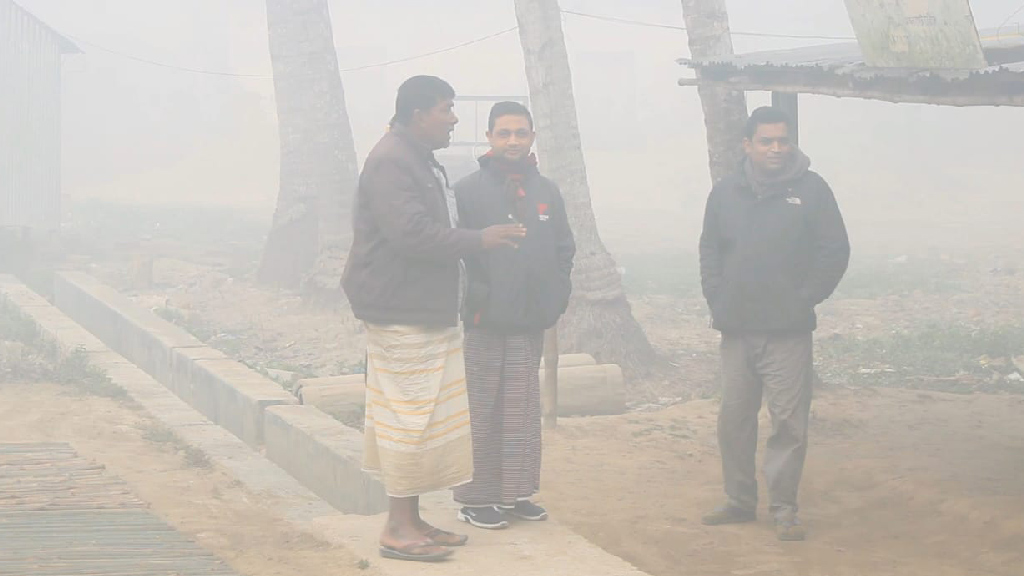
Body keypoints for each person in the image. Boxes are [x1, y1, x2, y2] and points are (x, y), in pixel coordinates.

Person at [342, 76, 526, 562]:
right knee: (410, 419)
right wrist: (478, 239)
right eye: (446, 109)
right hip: (402, 310)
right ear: (418, 113)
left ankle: (412, 519)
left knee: (423, 418)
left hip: (422, 309)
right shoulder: (391, 162)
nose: (453, 118)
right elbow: (413, 236)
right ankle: (397, 529)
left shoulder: (415, 158)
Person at [698, 106, 850, 541]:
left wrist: (804, 297)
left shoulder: (813, 190)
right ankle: (740, 501)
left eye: (783, 140)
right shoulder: (725, 192)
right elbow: (710, 250)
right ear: (747, 145)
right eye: (766, 141)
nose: (776, 148)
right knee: (734, 418)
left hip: (788, 331)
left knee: (787, 422)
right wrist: (718, 297)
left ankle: (784, 508)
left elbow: (834, 251)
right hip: (737, 328)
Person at [451, 101, 575, 529]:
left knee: (522, 410)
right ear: (488, 138)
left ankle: (515, 494)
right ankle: (476, 497)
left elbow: (564, 249)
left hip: (529, 319)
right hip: (484, 322)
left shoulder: (547, 192)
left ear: (532, 137)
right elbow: (454, 252)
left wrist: (554, 297)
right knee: (482, 410)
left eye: (520, 133)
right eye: (503, 133)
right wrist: (475, 301)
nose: (512, 141)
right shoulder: (466, 190)